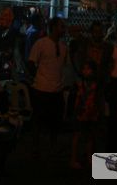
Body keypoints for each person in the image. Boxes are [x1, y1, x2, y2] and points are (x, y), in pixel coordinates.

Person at [27, 16, 68, 159]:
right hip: (41, 88)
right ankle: (36, 147)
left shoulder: (63, 47)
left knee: (55, 121)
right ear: (54, 27)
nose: (64, 29)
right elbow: (31, 63)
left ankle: (51, 147)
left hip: (56, 89)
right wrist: (39, 77)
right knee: (38, 120)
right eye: (61, 26)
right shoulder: (41, 43)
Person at [70, 60, 101, 169]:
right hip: (81, 112)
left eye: (88, 69)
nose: (85, 71)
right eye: (84, 69)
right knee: (78, 135)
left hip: (91, 112)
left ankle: (89, 157)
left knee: (89, 135)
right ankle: (73, 159)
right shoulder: (80, 83)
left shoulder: (95, 84)